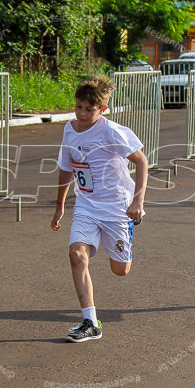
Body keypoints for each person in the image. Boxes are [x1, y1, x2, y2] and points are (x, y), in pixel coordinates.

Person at [51, 76, 148, 342]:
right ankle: (90, 321)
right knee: (76, 254)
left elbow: (141, 162)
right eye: (79, 107)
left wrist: (137, 201)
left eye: (89, 109)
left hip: (117, 208)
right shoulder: (69, 130)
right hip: (86, 205)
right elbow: (66, 169)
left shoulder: (112, 132)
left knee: (120, 270)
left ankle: (129, 230)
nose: (83, 114)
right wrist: (60, 206)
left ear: (102, 109)